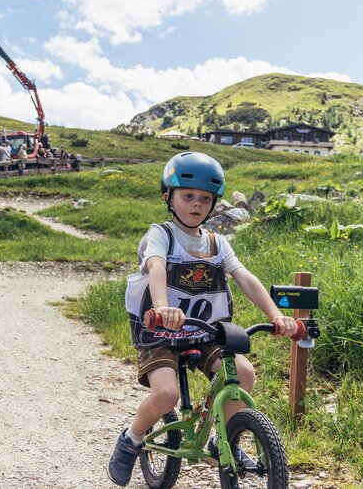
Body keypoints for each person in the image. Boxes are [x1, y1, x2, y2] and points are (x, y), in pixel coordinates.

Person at [107, 152, 299, 486]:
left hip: (203, 329)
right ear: (168, 196)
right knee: (166, 394)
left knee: (242, 372)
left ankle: (224, 438)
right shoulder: (161, 235)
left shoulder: (217, 242)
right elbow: (156, 267)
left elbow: (246, 278)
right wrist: (165, 308)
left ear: (213, 204)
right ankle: (132, 439)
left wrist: (277, 315)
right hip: (160, 332)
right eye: (188, 196)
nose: (197, 205)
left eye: (205, 199)